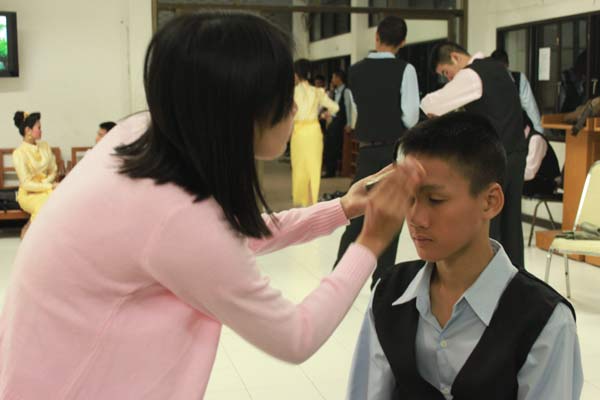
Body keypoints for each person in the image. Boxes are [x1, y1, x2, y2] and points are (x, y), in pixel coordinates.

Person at [0, 12, 425, 399]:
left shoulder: (144, 136)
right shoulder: (177, 214)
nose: (295, 107)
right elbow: (296, 335)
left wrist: (341, 208)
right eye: (283, 97)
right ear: (241, 109)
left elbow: (230, 235)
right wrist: (371, 243)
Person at [347, 112, 583, 400]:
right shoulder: (389, 295)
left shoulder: (544, 322)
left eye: (435, 200)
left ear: (490, 201)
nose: (416, 218)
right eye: (408, 197)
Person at [421, 41, 526, 269]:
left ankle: (490, 279)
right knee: (511, 225)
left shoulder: (470, 75)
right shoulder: (498, 68)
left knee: (489, 223)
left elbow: (431, 104)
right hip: (517, 152)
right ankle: (516, 279)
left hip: (495, 159)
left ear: (455, 57)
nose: (449, 79)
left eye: (446, 72)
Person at [334, 15, 420, 285]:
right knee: (391, 217)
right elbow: (411, 117)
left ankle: (339, 276)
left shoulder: (355, 71)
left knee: (358, 214)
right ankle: (382, 283)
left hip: (366, 151)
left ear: (376, 37)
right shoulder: (405, 70)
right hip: (394, 153)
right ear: (403, 42)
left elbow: (355, 113)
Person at [490, 49, 561, 196]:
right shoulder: (490, 83)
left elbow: (531, 108)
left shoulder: (518, 79)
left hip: (543, 180)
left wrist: (538, 135)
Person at [292, 58, 340, 206]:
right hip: (314, 130)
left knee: (300, 166)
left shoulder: (292, 92)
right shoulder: (317, 92)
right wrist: (324, 115)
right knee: (313, 166)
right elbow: (335, 107)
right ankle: (311, 200)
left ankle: (301, 201)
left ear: (296, 74)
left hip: (299, 132)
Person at [11, 111, 58, 236]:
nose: (41, 131)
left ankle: (47, 234)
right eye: (39, 128)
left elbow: (53, 170)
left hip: (47, 188)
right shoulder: (19, 153)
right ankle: (30, 234)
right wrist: (49, 185)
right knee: (44, 203)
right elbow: (26, 184)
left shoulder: (45, 146)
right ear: (28, 130)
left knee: (58, 199)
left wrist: (46, 183)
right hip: (28, 194)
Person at [490, 49, 543, 134]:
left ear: (507, 65)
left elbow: (531, 108)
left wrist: (539, 133)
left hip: (516, 130)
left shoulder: (519, 79)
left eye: (502, 69)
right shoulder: (487, 82)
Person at [323, 69, 354, 178]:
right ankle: (329, 170)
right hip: (332, 121)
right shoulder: (334, 91)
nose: (332, 80)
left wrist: (349, 123)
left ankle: (332, 171)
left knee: (334, 147)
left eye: (333, 77)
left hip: (339, 122)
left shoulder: (346, 91)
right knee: (328, 146)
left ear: (338, 78)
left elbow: (348, 108)